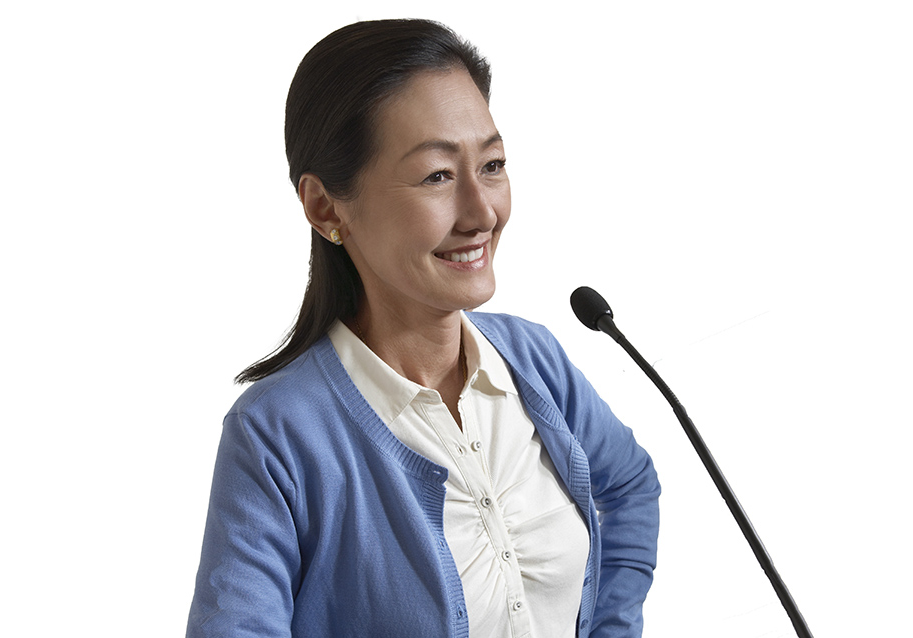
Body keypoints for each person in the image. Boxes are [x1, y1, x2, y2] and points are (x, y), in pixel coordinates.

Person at [186, 18, 659, 638]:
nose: (482, 211)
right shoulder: (276, 436)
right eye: (438, 175)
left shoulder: (532, 358)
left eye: (491, 164)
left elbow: (630, 485)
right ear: (325, 206)